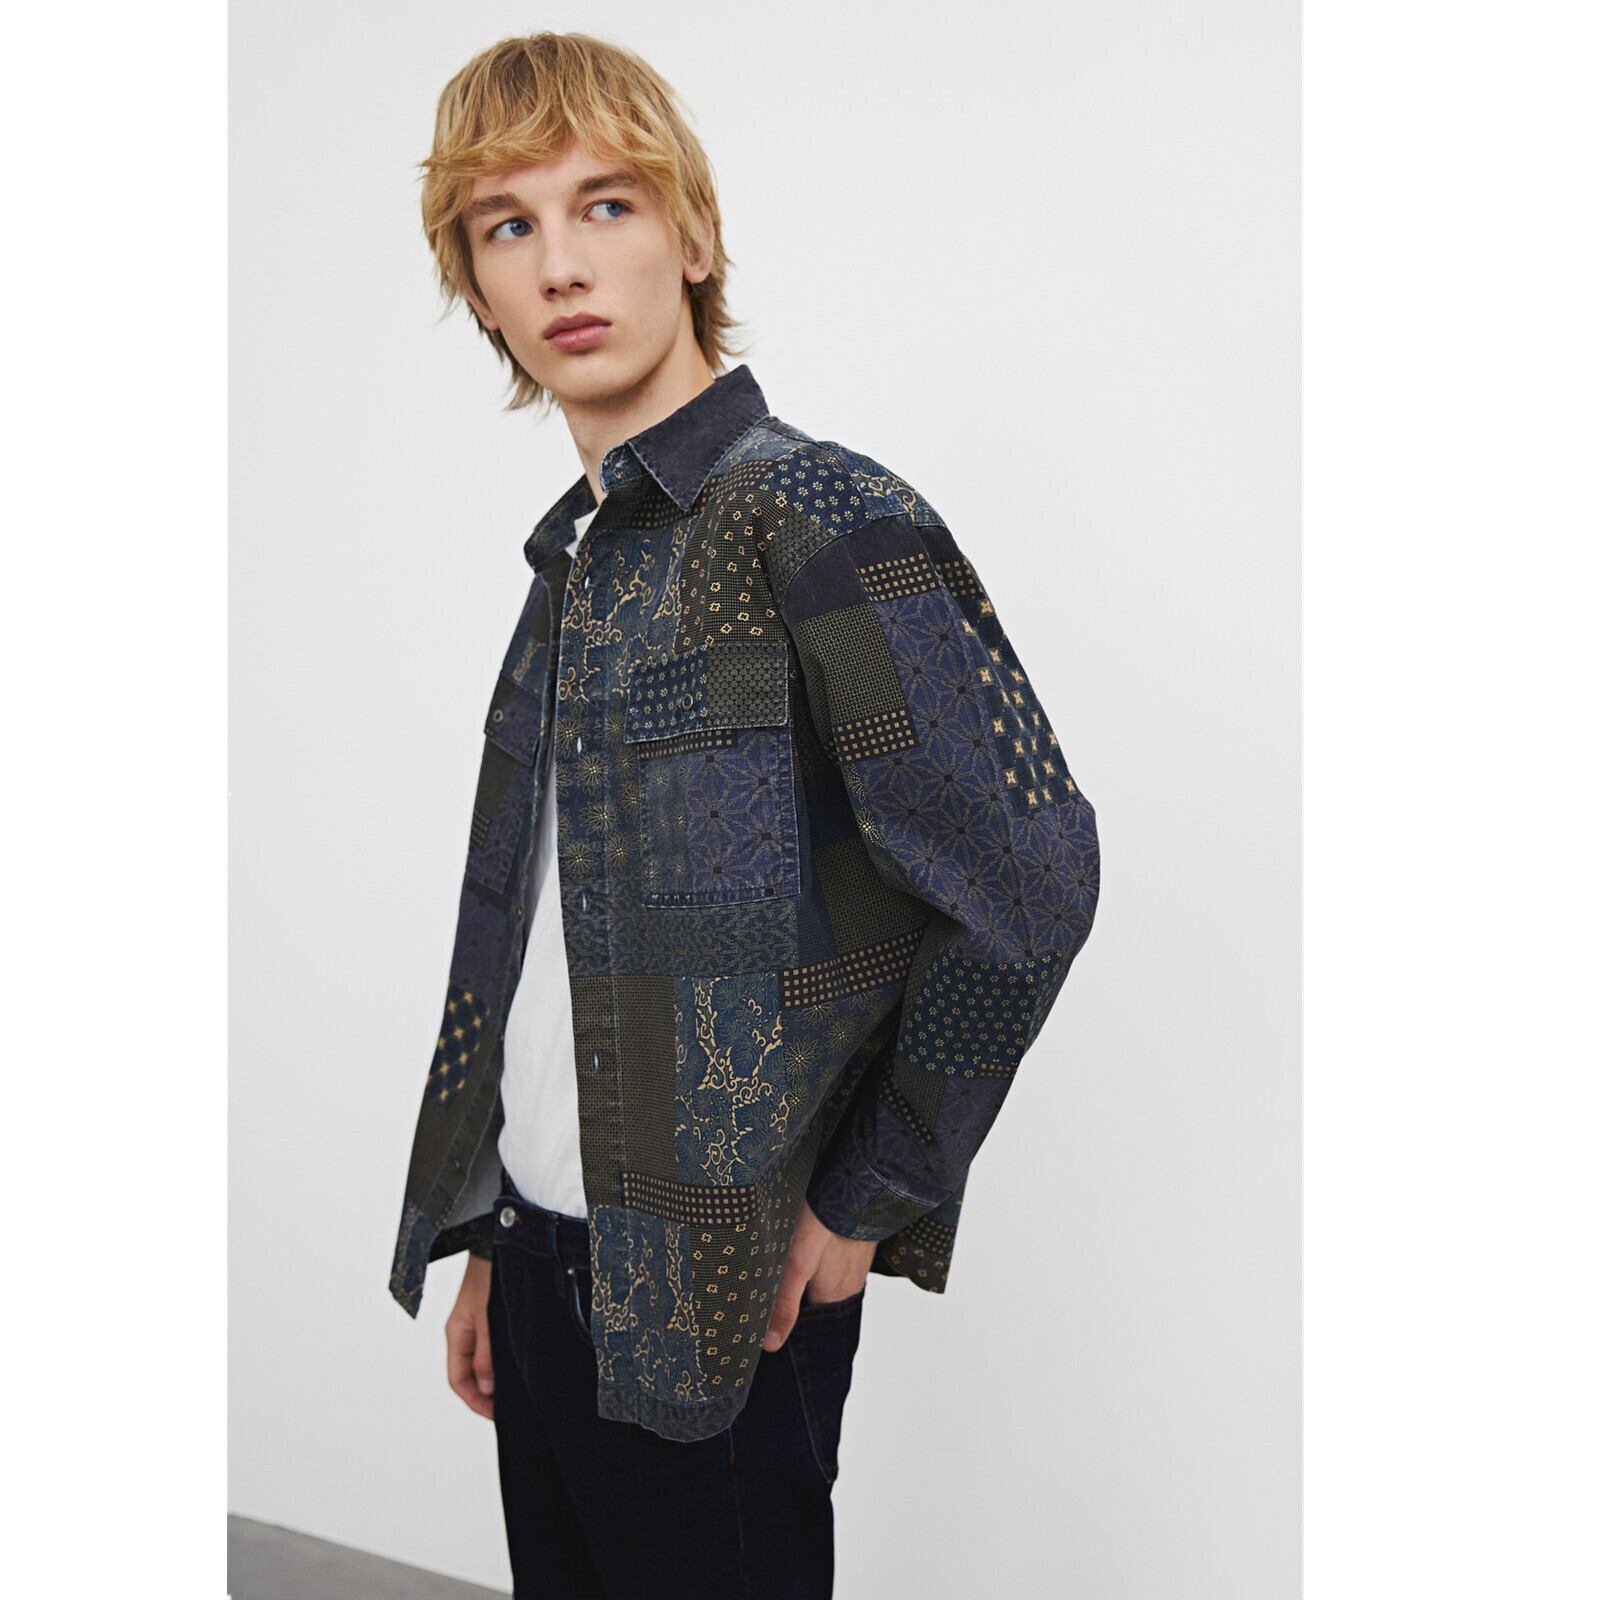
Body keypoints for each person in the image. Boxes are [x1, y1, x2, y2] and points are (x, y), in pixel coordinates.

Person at [387, 30, 1101, 1600]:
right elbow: (550, 944)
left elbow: (1027, 881)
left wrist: (863, 1202)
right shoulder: (574, 566)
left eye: (609, 204)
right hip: (545, 1258)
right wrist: (499, 1231)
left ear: (696, 237)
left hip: (722, 1291)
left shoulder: (820, 517)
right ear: (478, 289)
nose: (562, 263)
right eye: (508, 226)